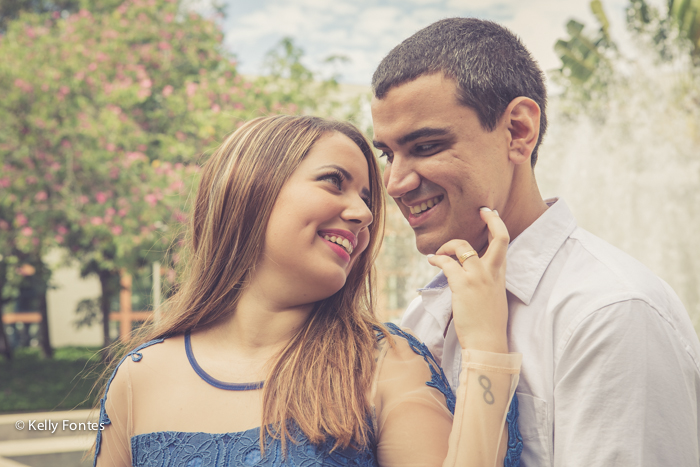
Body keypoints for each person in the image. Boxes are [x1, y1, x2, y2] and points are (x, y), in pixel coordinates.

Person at [92, 115, 523, 467]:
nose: (363, 215)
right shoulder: (138, 376)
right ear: (250, 188)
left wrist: (486, 345)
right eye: (334, 181)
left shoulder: (385, 364)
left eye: (367, 199)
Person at [370, 17, 700, 466]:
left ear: (518, 131)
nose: (395, 182)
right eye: (388, 154)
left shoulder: (613, 312)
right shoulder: (422, 315)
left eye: (426, 146)